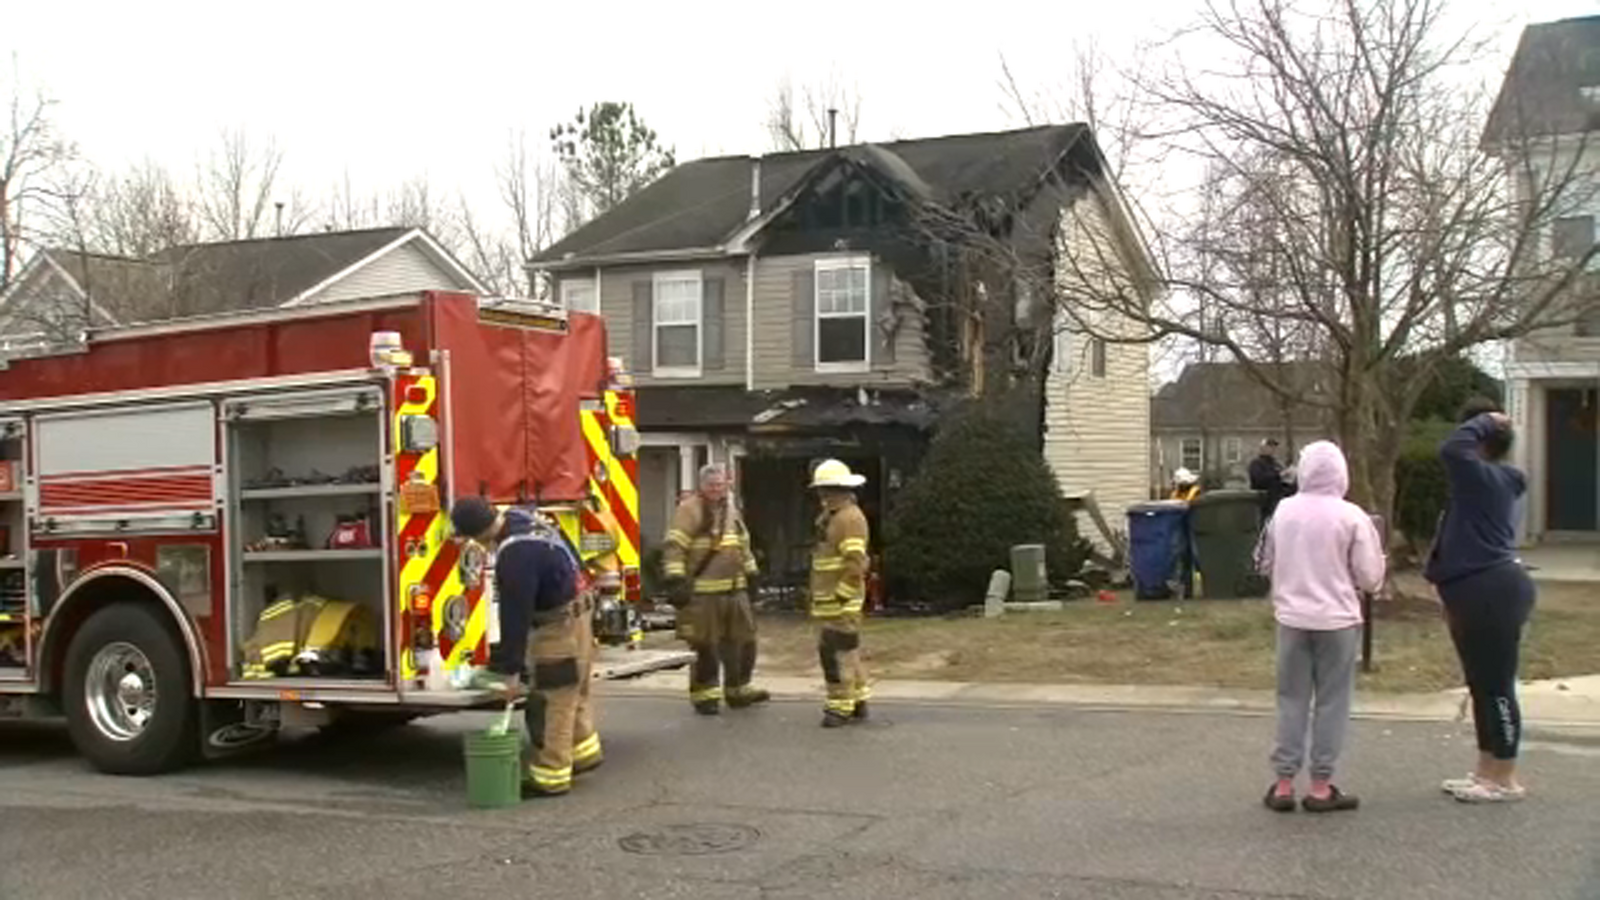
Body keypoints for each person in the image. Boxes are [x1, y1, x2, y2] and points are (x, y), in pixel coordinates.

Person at [1256, 441, 1385, 814]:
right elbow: (1371, 577)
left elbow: (1263, 561)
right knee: (1332, 701)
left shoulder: (1283, 511)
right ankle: (1321, 785)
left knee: (1291, 698)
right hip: (1338, 621)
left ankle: (1282, 784)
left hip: (1292, 619)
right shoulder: (1352, 516)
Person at [1424, 399, 1535, 803]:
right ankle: (1485, 772)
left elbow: (1451, 449)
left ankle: (1504, 777)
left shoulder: (1486, 479)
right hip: (1473, 589)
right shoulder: (1487, 482)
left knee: (1497, 686)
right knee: (1481, 684)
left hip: (1492, 590)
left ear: (1482, 440)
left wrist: (1486, 420)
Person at [451, 497, 599, 798]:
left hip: (556, 627)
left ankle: (551, 775)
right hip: (580, 613)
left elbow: (515, 616)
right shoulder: (526, 517)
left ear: (477, 534)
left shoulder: (515, 556)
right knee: (574, 689)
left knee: (553, 698)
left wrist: (509, 670)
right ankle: (584, 752)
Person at [662, 463, 769, 715]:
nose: (716, 490)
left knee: (744, 641)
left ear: (728, 485)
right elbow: (674, 546)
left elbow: (742, 544)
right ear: (702, 486)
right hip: (703, 592)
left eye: (721, 485)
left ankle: (738, 689)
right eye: (712, 485)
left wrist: (752, 573)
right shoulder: (689, 510)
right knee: (704, 645)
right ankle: (705, 695)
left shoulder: (732, 510)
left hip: (735, 590)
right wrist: (676, 579)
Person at [808, 459, 872, 728]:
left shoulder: (849, 519)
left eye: (828, 490)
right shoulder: (833, 517)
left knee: (835, 654)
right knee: (847, 650)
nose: (823, 496)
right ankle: (857, 699)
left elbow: (855, 562)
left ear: (841, 489)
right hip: (830, 599)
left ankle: (839, 706)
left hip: (840, 601)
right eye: (822, 490)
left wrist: (842, 596)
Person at [1249, 439, 1290, 520]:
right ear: (1262, 448)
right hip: (1263, 502)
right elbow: (1259, 479)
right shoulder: (1256, 463)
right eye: (1269, 446)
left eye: (1273, 447)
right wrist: (1278, 475)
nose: (1272, 449)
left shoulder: (1276, 464)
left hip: (1278, 500)